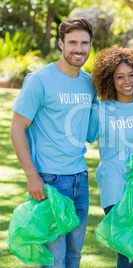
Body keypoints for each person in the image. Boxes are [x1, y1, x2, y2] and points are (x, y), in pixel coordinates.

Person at [10, 18, 96, 267]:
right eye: (72, 42)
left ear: (91, 45)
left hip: (80, 179)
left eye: (84, 43)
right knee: (55, 259)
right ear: (61, 43)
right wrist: (31, 176)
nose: (79, 49)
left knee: (74, 256)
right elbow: (17, 129)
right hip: (48, 181)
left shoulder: (90, 83)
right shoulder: (39, 80)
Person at [87, 45, 133, 268]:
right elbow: (76, 137)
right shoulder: (100, 110)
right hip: (116, 188)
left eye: (131, 75)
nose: (126, 81)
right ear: (110, 80)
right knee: (127, 254)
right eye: (119, 76)